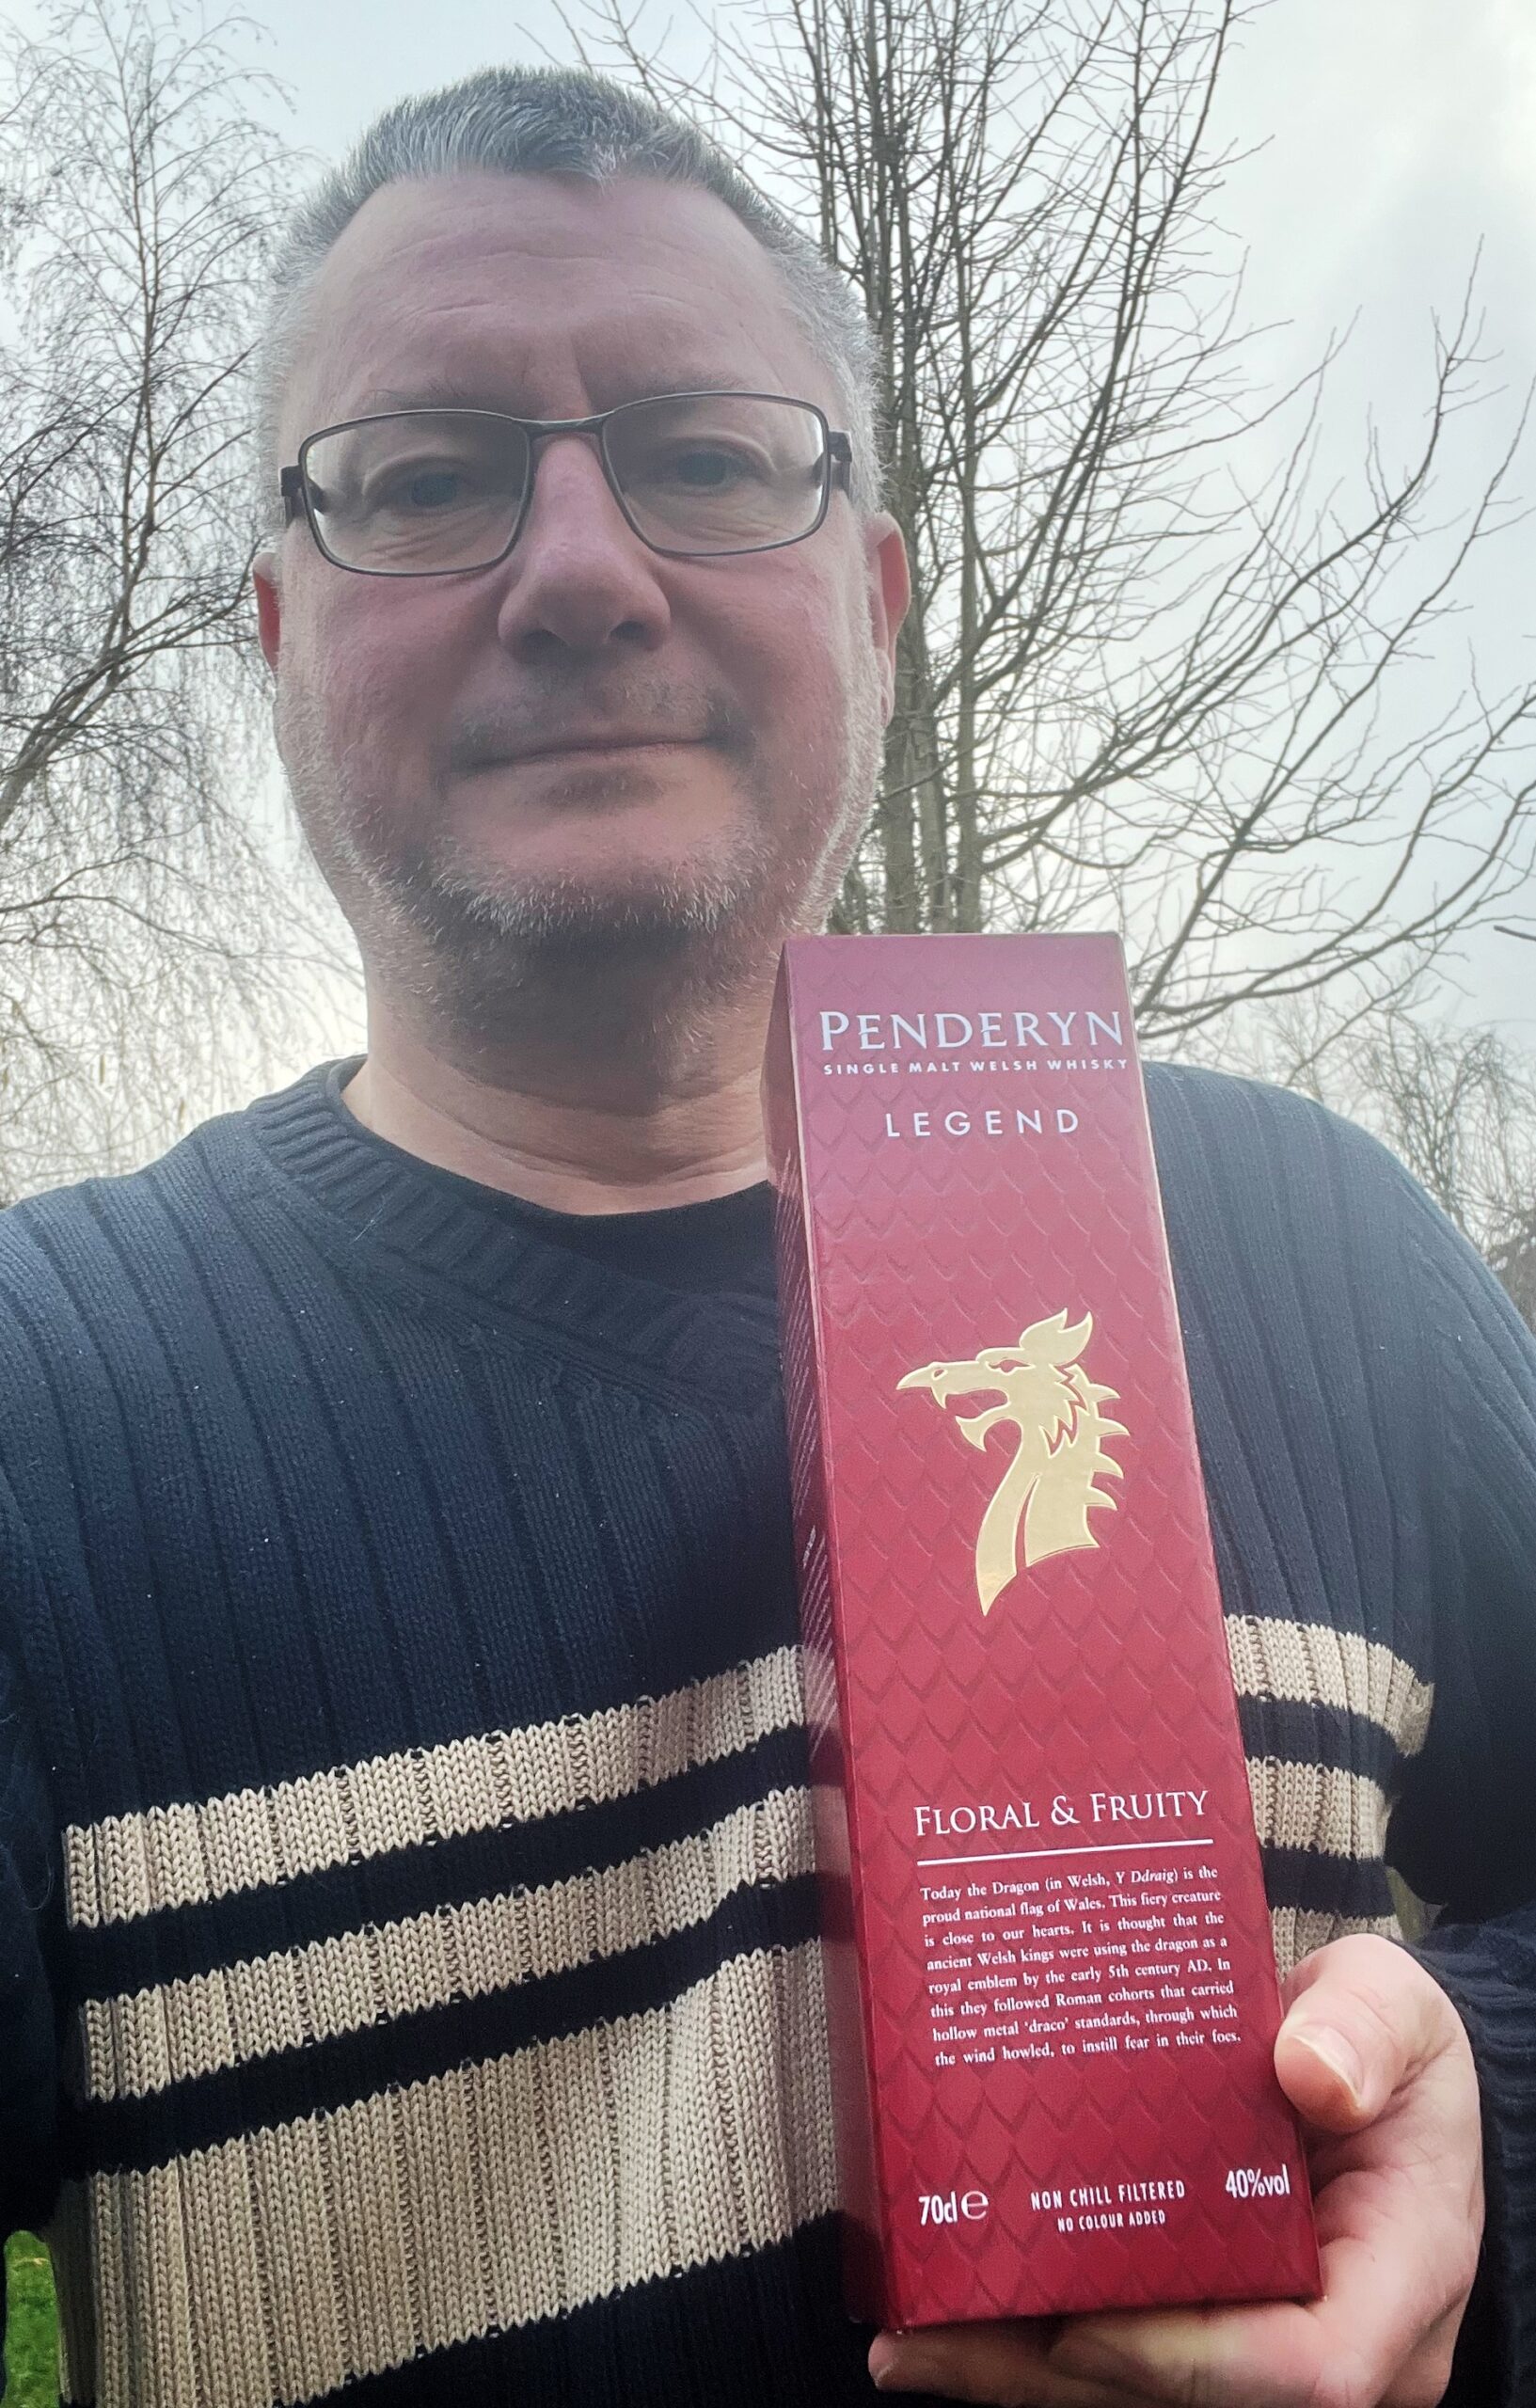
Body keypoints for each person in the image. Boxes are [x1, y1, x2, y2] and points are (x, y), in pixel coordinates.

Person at [1, 62, 1532, 2408]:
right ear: (276, 628)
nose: (580, 571)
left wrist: (1487, 2130)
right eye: (427, 478)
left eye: (708, 458)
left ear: (877, 596)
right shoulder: (41, 1415)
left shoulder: (1320, 1246)